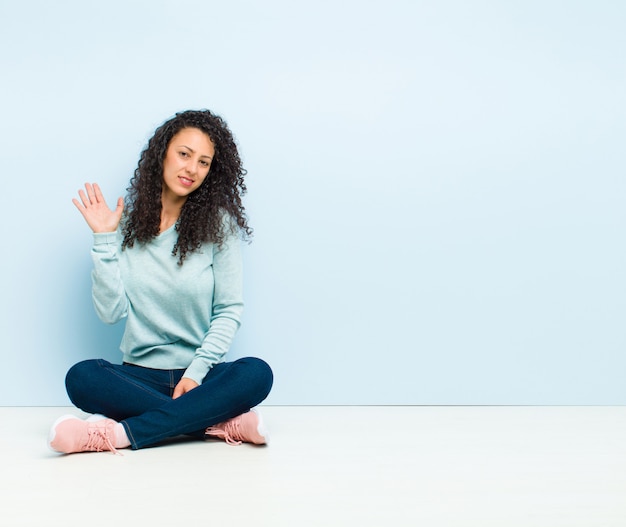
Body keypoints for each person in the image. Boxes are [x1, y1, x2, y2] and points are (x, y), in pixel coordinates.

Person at [48, 109, 273, 454]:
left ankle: (116, 435)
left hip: (199, 377)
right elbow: (111, 314)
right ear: (162, 153)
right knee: (82, 377)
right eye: (184, 154)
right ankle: (216, 422)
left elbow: (228, 311)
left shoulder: (219, 227)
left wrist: (196, 374)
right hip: (138, 377)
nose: (192, 169)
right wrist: (104, 240)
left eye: (203, 162)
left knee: (257, 373)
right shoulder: (125, 227)